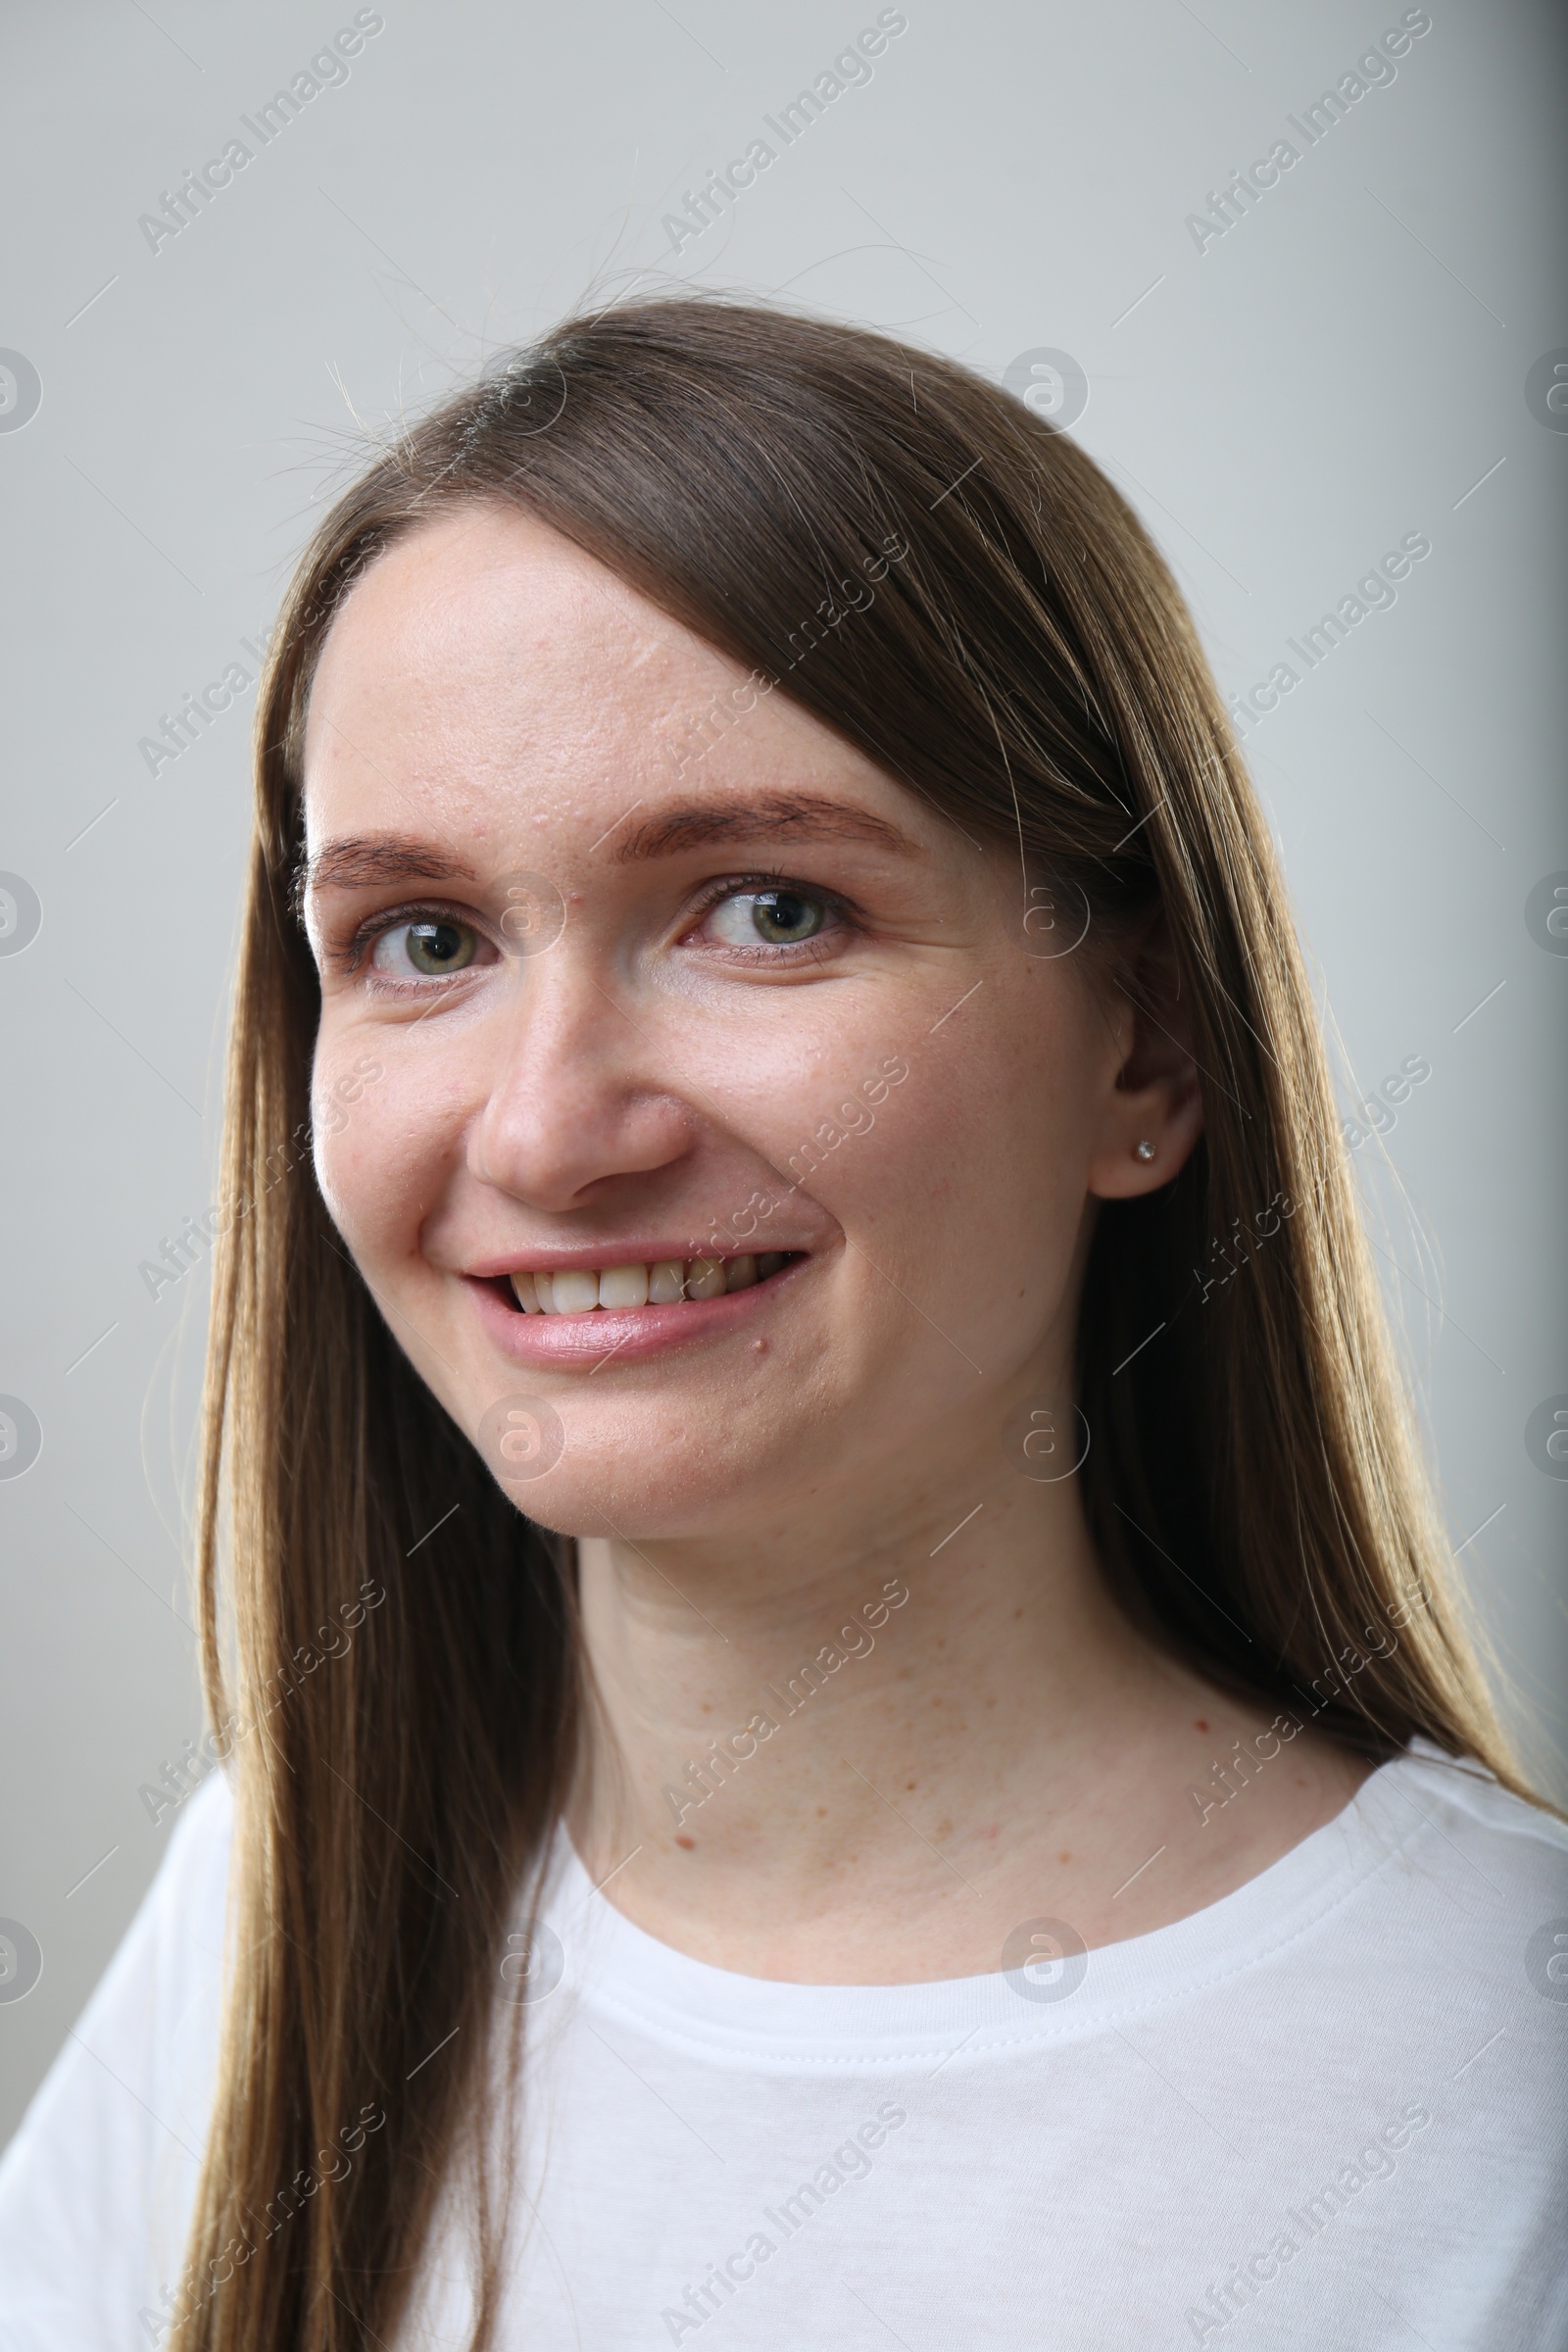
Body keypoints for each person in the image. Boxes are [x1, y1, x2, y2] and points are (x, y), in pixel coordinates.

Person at [1, 297, 1562, 2351]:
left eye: (766, 908)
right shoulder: (270, 1912)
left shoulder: (1506, 2088)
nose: (551, 1128)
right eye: (422, 939)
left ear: (1148, 1053)